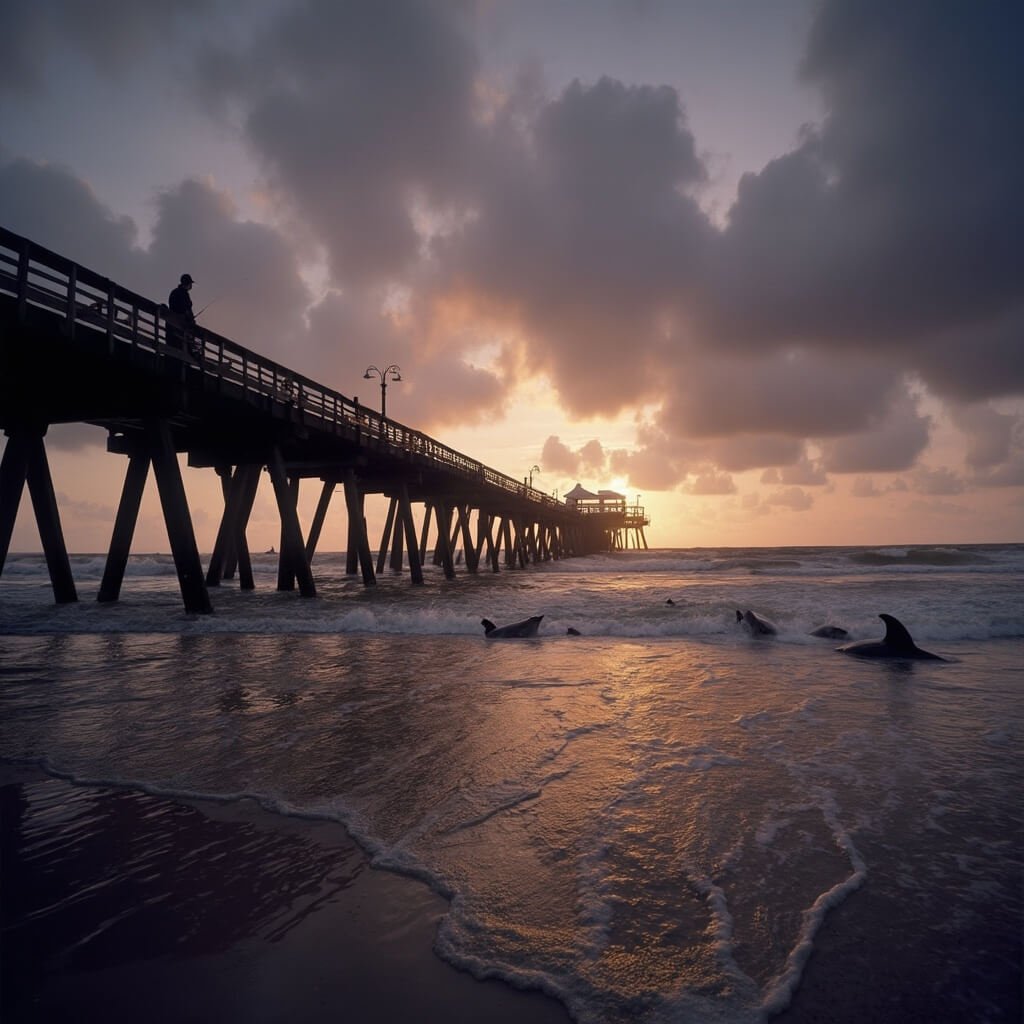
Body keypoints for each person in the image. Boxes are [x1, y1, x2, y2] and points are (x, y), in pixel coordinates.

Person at [167, 273, 200, 357]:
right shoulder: (184, 294)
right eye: (191, 284)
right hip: (181, 326)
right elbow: (186, 310)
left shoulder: (174, 292)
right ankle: (196, 354)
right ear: (188, 284)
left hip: (171, 325)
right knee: (187, 345)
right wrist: (191, 320)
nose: (191, 286)